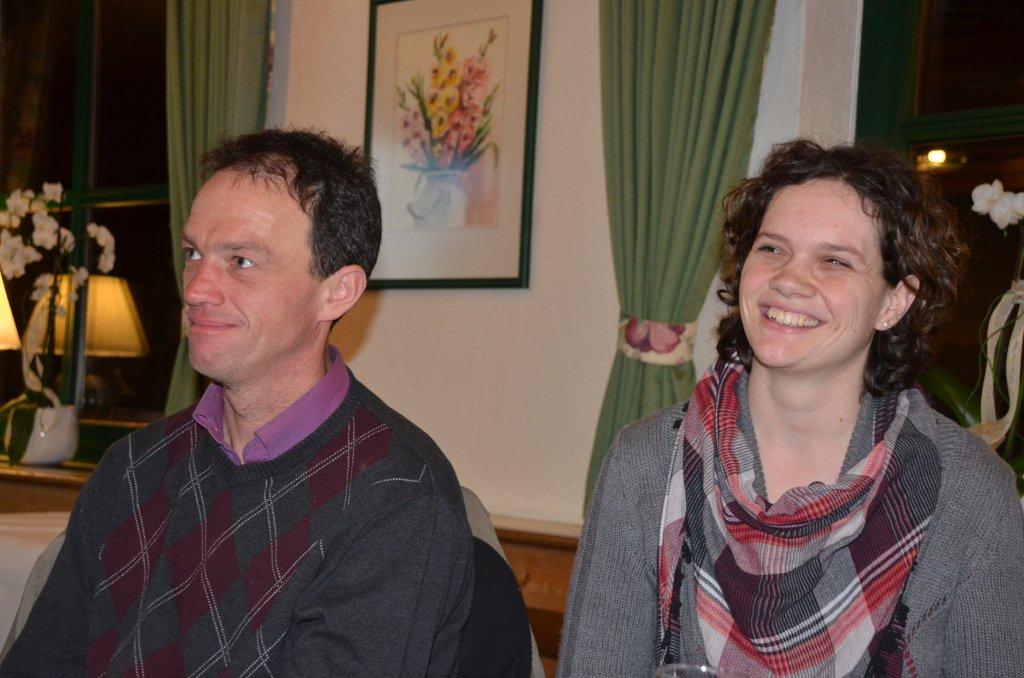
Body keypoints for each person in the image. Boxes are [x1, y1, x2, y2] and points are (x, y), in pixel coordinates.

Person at [1, 129, 473, 676]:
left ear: (337, 291)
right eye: (193, 253)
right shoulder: (132, 468)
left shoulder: (398, 496)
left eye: (241, 261)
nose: (196, 289)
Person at [558, 139, 1024, 676]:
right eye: (772, 249)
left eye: (835, 261)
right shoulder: (647, 463)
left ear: (894, 301)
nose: (789, 280)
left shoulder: (970, 494)